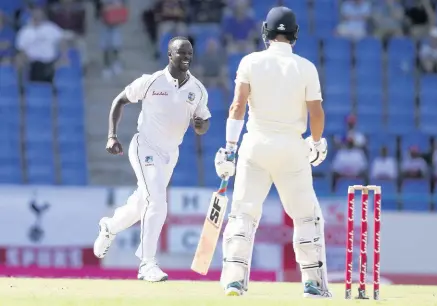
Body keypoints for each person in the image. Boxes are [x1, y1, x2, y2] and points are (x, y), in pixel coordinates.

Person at [213, 6, 330, 298]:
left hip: (256, 146)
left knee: (242, 214)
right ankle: (313, 284)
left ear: (265, 32)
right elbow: (316, 112)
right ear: (294, 35)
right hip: (292, 148)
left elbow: (237, 107)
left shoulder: (250, 61)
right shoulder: (305, 67)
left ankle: (234, 282)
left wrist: (230, 149)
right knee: (306, 217)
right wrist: (316, 142)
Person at [93, 36, 211, 282]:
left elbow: (202, 124)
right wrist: (112, 136)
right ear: (169, 55)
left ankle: (110, 226)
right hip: (144, 146)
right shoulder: (151, 81)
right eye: (181, 53)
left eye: (190, 53)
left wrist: (200, 126)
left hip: (171, 154)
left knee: (140, 205)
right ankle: (147, 264)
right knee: (157, 202)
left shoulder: (197, 90)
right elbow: (119, 101)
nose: (187, 57)